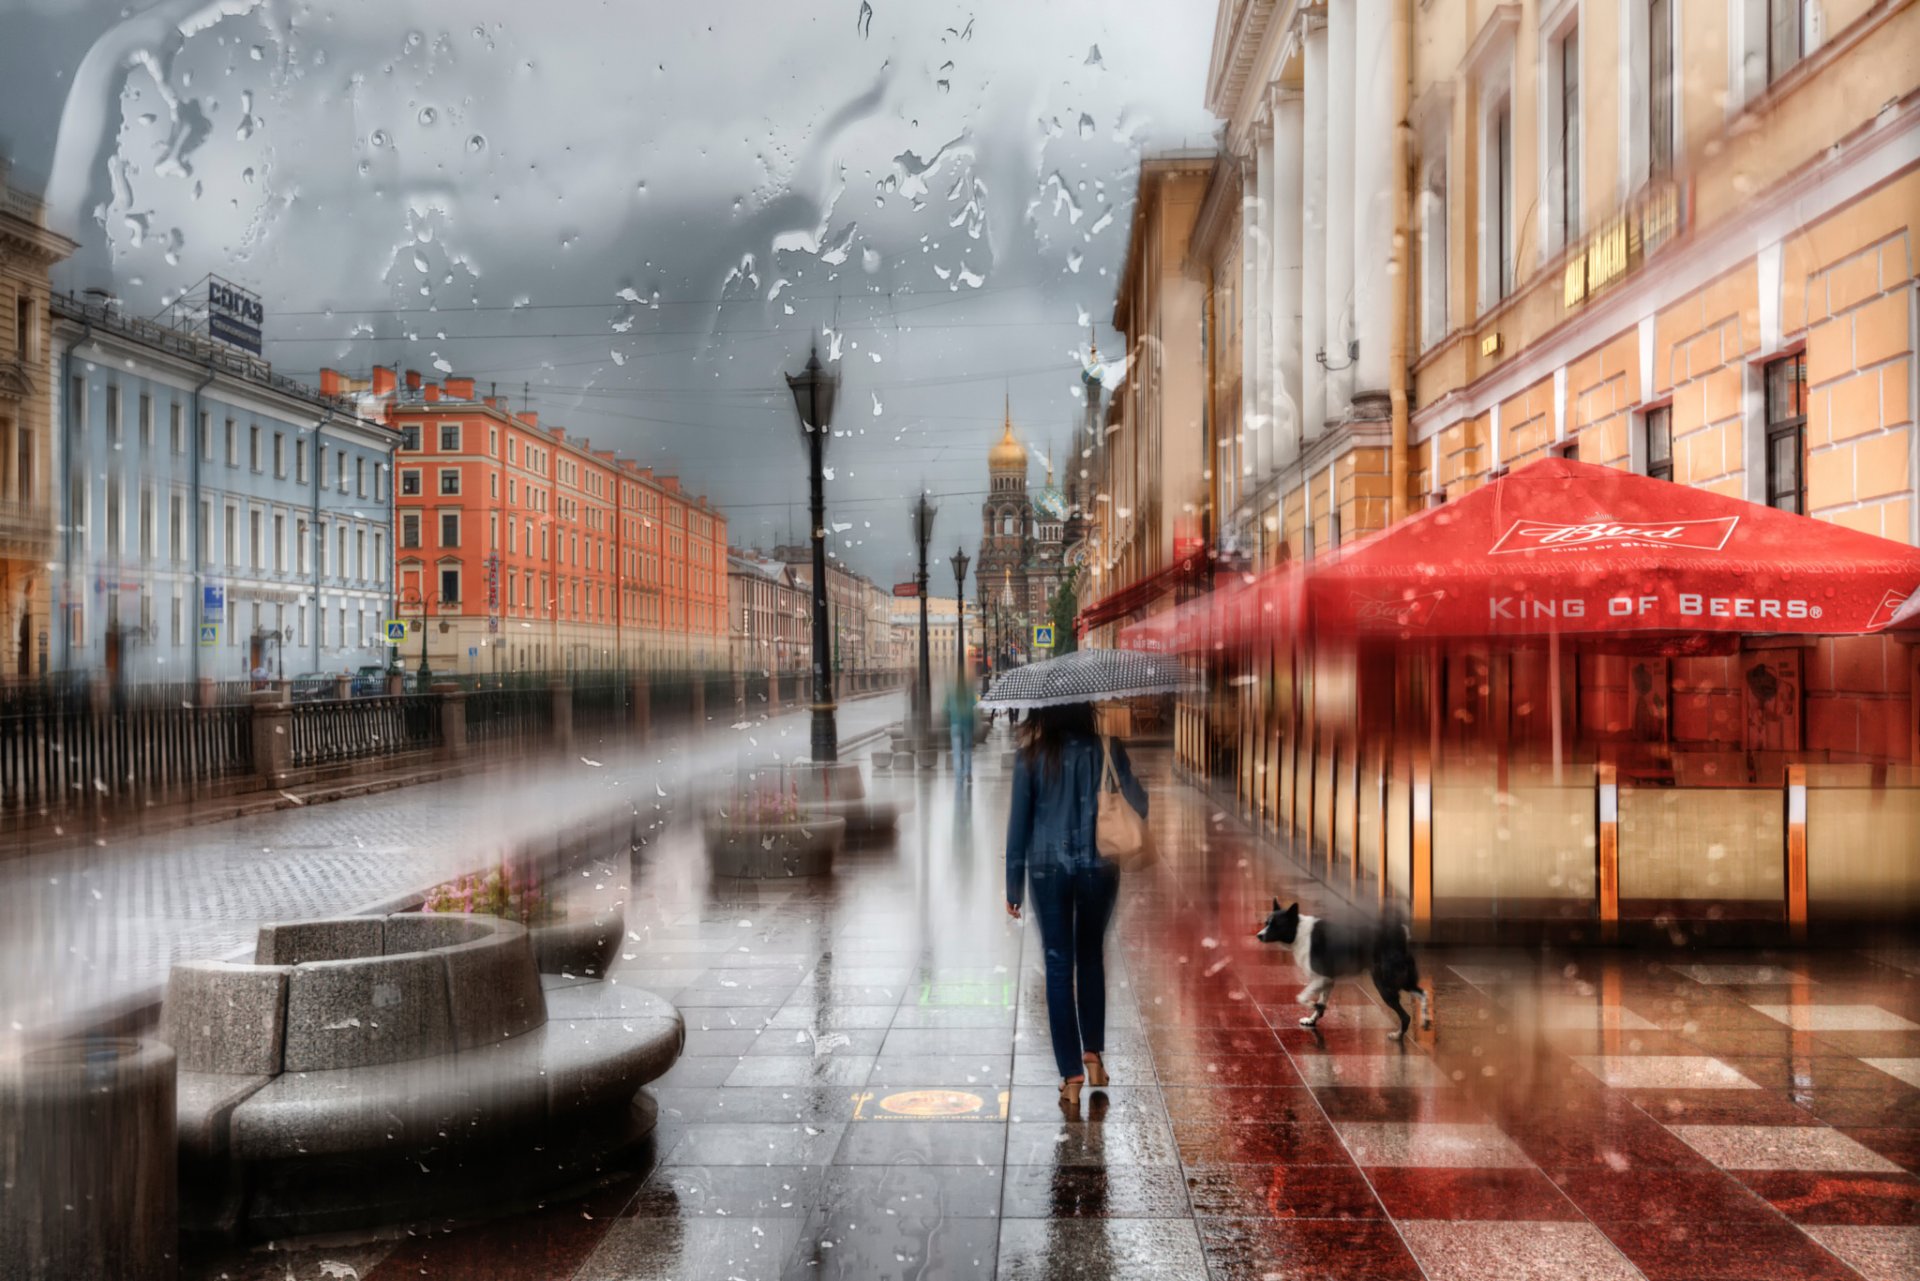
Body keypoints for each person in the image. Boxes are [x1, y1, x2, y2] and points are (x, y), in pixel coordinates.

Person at [1004, 701, 1146, 1108]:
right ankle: (1094, 1055)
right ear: (1085, 709)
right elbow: (1140, 804)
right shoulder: (1108, 749)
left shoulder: (1030, 758)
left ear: (1044, 712)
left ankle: (1071, 1074)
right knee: (1090, 955)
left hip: (1047, 869)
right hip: (1099, 866)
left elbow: (1018, 827)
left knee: (1058, 964)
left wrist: (1012, 887)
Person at [945, 675, 977, 780]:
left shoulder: (951, 692)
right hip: (967, 724)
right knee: (967, 749)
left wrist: (951, 715)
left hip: (955, 724)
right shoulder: (969, 691)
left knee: (957, 752)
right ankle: (968, 772)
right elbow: (975, 704)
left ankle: (959, 774)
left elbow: (945, 709)